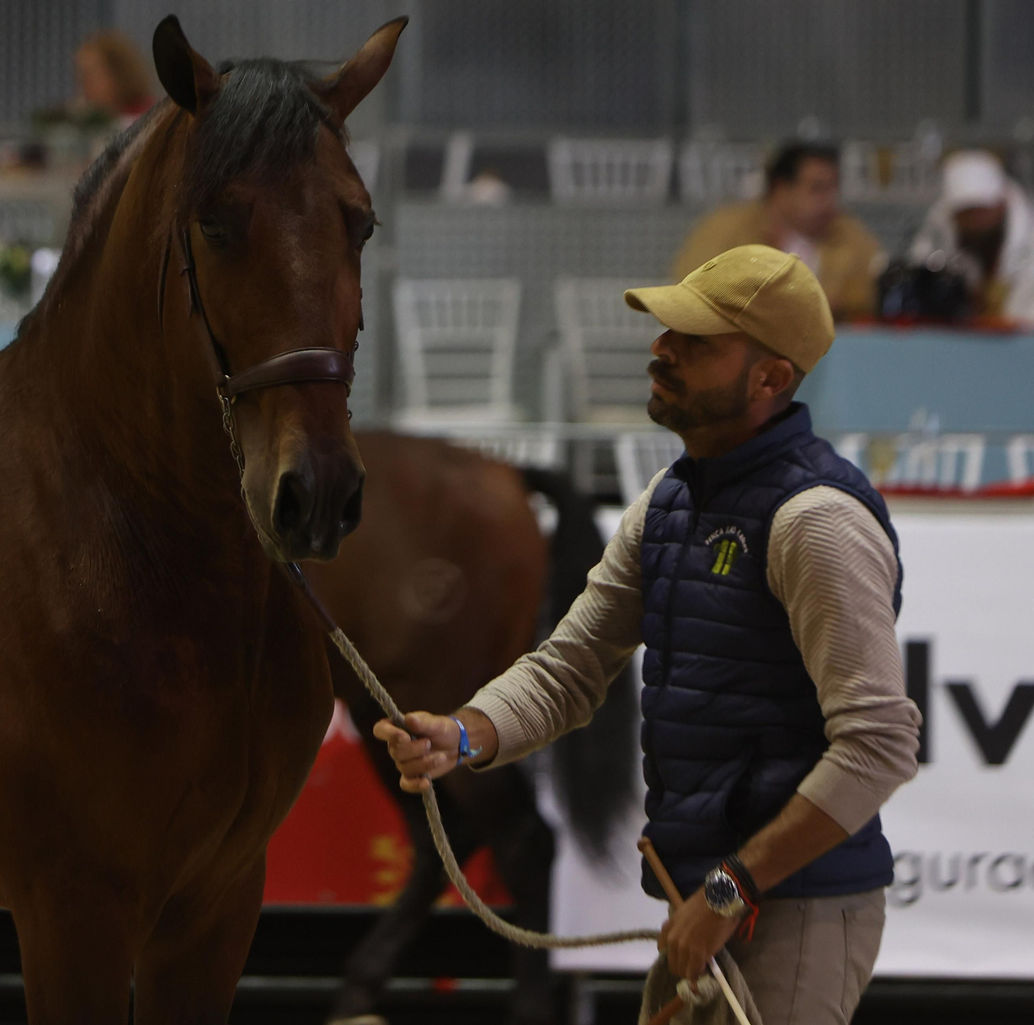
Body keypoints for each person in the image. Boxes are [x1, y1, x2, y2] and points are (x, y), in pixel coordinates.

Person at [375, 245, 921, 1025]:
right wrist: (464, 733)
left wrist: (729, 890)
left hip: (784, 910)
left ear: (770, 378)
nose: (662, 349)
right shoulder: (670, 503)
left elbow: (878, 745)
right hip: (706, 902)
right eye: (668, 330)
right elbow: (570, 666)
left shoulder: (817, 521)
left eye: (696, 341)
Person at [672, 143, 885, 321]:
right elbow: (692, 289)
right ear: (781, 189)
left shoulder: (849, 234)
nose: (829, 201)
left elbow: (876, 294)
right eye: (817, 188)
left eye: (833, 189)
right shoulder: (725, 228)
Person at [907, 149, 1034, 327]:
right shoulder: (937, 236)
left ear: (1001, 204)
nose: (975, 220)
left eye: (981, 210)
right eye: (967, 212)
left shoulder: (1028, 244)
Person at [73, 30, 156, 126]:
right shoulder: (95, 121)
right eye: (81, 78)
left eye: (90, 75)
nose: (84, 86)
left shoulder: (151, 120)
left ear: (118, 74)